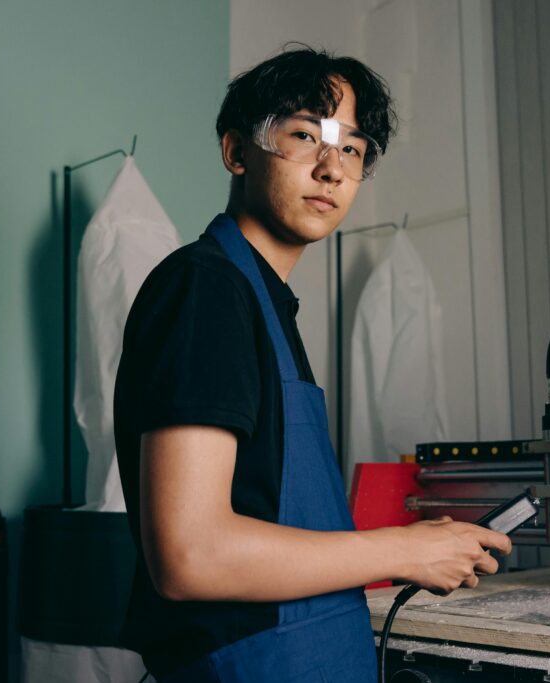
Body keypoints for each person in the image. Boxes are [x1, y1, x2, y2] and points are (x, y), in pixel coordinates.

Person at [113, 46, 512, 682]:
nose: (331, 169)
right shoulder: (205, 289)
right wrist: (404, 549)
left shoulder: (265, 305)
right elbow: (189, 556)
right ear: (237, 152)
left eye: (351, 149)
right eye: (304, 135)